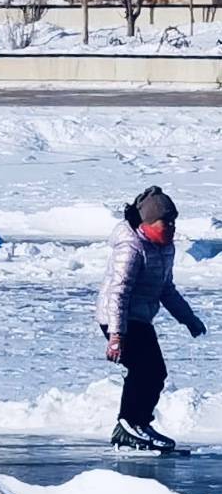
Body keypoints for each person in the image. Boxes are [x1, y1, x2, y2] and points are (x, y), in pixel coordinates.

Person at [95, 186, 206, 451]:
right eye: (164, 221)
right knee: (146, 370)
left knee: (155, 373)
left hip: (140, 318)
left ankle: (138, 424)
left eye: (173, 221)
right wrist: (116, 336)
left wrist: (188, 318)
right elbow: (118, 293)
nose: (170, 227)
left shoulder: (164, 248)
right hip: (117, 317)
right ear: (146, 223)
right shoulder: (131, 248)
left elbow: (165, 288)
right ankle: (128, 424)